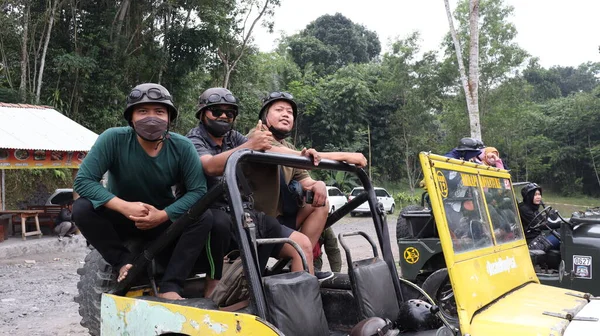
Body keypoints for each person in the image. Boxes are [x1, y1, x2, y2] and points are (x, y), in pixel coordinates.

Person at [73, 83, 219, 300]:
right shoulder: (113, 139)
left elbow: (197, 191)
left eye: (159, 112)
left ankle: (171, 286)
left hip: (161, 219)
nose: (151, 118)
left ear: (169, 118)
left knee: (203, 217)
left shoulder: (182, 146)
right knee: (82, 208)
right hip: (121, 216)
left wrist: (163, 215)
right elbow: (83, 181)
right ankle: (122, 261)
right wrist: (124, 206)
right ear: (131, 117)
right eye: (143, 111)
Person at [185, 87, 315, 276]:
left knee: (301, 242)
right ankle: (216, 285)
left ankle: (300, 296)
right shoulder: (193, 140)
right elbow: (210, 166)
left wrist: (309, 156)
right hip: (208, 210)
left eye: (229, 113)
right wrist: (250, 144)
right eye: (216, 111)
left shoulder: (234, 137)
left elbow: (274, 151)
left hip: (245, 212)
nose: (223, 116)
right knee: (220, 222)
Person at [249, 91, 367, 261]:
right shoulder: (257, 137)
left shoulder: (288, 145)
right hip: (255, 223)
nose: (285, 115)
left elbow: (305, 179)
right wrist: (345, 156)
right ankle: (301, 257)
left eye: (290, 113)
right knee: (301, 247)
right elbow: (294, 156)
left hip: (279, 221)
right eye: (279, 110)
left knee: (320, 203)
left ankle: (300, 260)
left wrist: (317, 184)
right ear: (264, 117)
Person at [518, 183, 560, 252]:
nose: (538, 197)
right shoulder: (524, 209)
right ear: (529, 196)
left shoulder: (533, 208)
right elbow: (540, 225)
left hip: (538, 237)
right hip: (532, 243)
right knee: (563, 238)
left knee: (560, 233)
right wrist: (561, 224)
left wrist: (550, 215)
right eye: (535, 195)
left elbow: (543, 221)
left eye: (539, 194)